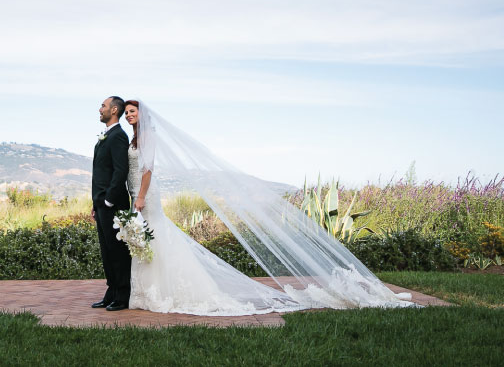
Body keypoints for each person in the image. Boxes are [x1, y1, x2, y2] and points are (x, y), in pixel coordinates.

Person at [121, 99, 415, 315]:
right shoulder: (134, 138)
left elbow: (147, 170)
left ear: (142, 115)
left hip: (146, 195)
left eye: (133, 112)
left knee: (155, 237)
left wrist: (142, 196)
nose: (129, 116)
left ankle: (164, 291)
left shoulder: (149, 136)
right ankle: (149, 293)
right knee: (150, 240)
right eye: (127, 113)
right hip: (137, 195)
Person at [89, 96, 132, 311]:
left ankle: (122, 296)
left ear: (114, 110)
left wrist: (108, 200)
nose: (100, 109)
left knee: (117, 251)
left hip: (113, 205)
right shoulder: (106, 136)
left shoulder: (118, 136)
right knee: (107, 252)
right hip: (101, 204)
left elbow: (120, 171)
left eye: (103, 106)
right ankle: (111, 292)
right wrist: (96, 203)